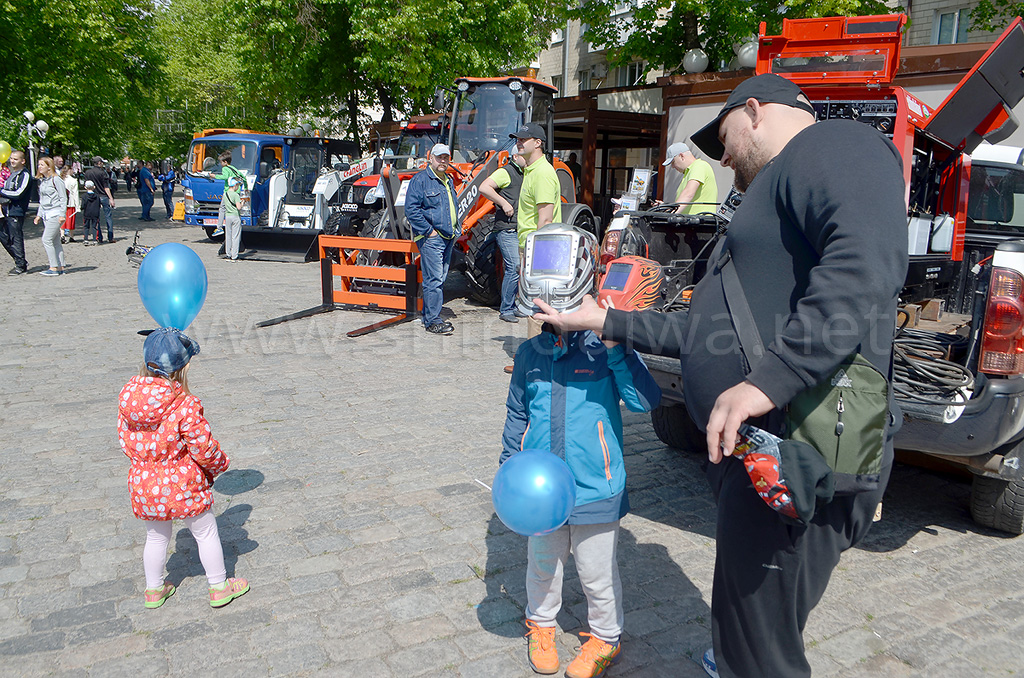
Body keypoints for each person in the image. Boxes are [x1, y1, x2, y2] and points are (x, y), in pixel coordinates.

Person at [533, 74, 908, 678]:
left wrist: (768, 381)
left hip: (794, 449)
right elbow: (703, 335)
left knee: (760, 653)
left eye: (725, 136)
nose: (722, 156)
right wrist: (606, 319)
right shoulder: (774, 196)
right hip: (761, 456)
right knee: (755, 628)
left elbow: (865, 266)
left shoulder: (837, 145)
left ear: (757, 111)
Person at [501, 229, 661, 678]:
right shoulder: (531, 354)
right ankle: (541, 624)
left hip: (596, 487)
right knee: (543, 566)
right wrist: (509, 460)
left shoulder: (605, 348)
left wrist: (614, 347)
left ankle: (605, 638)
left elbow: (644, 401)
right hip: (541, 492)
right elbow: (516, 411)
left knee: (597, 574)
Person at [118, 328, 250, 610]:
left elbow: (123, 440)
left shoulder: (127, 402)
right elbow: (203, 447)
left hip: (144, 482)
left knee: (155, 536)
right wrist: (220, 464)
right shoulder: (185, 404)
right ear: (184, 366)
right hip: (183, 483)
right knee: (205, 532)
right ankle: (218, 586)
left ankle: (154, 590)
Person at [511, 123, 563, 339]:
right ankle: (539, 355)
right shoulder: (531, 170)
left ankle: (535, 360)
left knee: (537, 307)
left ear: (538, 143)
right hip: (533, 248)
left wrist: (532, 258)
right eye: (518, 139)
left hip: (540, 250)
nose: (519, 142)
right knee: (535, 305)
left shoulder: (541, 173)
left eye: (524, 139)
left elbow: (545, 219)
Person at [404, 143, 462, 335]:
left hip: (448, 236)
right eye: (439, 157)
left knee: (439, 279)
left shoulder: (448, 180)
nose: (443, 161)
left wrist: (456, 228)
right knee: (434, 280)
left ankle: (429, 314)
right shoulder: (420, 180)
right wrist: (429, 232)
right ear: (431, 158)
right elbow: (411, 210)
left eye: (446, 157)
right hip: (432, 238)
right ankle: (433, 321)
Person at [478, 152, 526, 323]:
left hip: (519, 229)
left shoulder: (524, 172)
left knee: (519, 269)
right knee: (514, 267)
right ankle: (506, 309)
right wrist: (504, 203)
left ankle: (514, 305)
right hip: (507, 229)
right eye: (523, 156)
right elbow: (484, 187)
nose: (527, 159)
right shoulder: (506, 172)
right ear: (515, 156)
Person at [660, 141, 718, 215]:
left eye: (673, 162)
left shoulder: (699, 166)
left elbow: (688, 194)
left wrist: (670, 214)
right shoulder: (688, 173)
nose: (672, 166)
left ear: (681, 156)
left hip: (700, 223)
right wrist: (667, 207)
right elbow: (684, 202)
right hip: (692, 222)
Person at [34, 157, 68, 276]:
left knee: (46, 239)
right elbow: (42, 200)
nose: (39, 167)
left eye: (42, 165)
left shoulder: (56, 179)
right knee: (55, 240)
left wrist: (62, 214)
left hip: (55, 213)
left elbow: (63, 198)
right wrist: (38, 215)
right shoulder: (43, 181)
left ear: (49, 166)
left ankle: (53, 267)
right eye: (39, 165)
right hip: (46, 214)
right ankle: (60, 266)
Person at [0, 149, 32, 274]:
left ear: (23, 161)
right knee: (3, 236)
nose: (12, 161)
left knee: (16, 238)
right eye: (11, 159)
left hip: (16, 211)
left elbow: (18, 193)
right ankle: (19, 260)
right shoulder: (12, 174)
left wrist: (1, 192)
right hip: (6, 210)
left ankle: (20, 265)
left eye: (16, 159)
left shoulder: (25, 175)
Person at [204, 151, 245, 238]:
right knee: (234, 210)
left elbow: (225, 177)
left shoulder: (225, 168)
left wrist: (214, 176)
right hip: (236, 192)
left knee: (222, 209)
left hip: (228, 192)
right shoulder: (234, 168)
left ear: (225, 162)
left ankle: (219, 228)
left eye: (221, 162)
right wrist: (246, 188)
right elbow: (243, 177)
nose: (220, 164)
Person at [83, 157, 115, 243]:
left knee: (96, 218)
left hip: (94, 196)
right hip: (103, 196)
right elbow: (106, 187)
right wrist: (111, 198)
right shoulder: (102, 173)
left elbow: (86, 186)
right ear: (99, 163)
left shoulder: (88, 172)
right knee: (108, 216)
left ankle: (99, 237)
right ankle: (110, 236)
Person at [222, 176, 242, 261]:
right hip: (235, 216)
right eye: (237, 185)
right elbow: (239, 207)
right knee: (235, 236)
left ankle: (228, 253)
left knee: (228, 235)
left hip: (228, 216)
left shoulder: (225, 194)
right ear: (235, 185)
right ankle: (234, 255)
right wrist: (242, 203)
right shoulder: (235, 195)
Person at [60, 164, 79, 243]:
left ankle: (62, 235)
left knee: (62, 219)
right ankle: (71, 236)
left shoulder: (60, 179)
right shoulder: (73, 180)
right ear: (70, 170)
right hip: (70, 202)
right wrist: (77, 205)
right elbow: (75, 193)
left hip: (61, 203)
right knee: (70, 220)